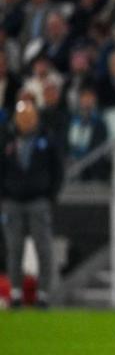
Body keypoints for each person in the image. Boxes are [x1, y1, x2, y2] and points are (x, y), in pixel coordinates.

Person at [1, 100, 64, 308]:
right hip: (12, 201)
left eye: (29, 115)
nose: (26, 120)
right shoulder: (7, 141)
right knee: (14, 247)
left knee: (43, 247)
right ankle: (16, 292)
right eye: (22, 116)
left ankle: (44, 293)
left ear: (35, 117)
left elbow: (57, 171)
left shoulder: (46, 139)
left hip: (39, 200)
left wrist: (50, 196)